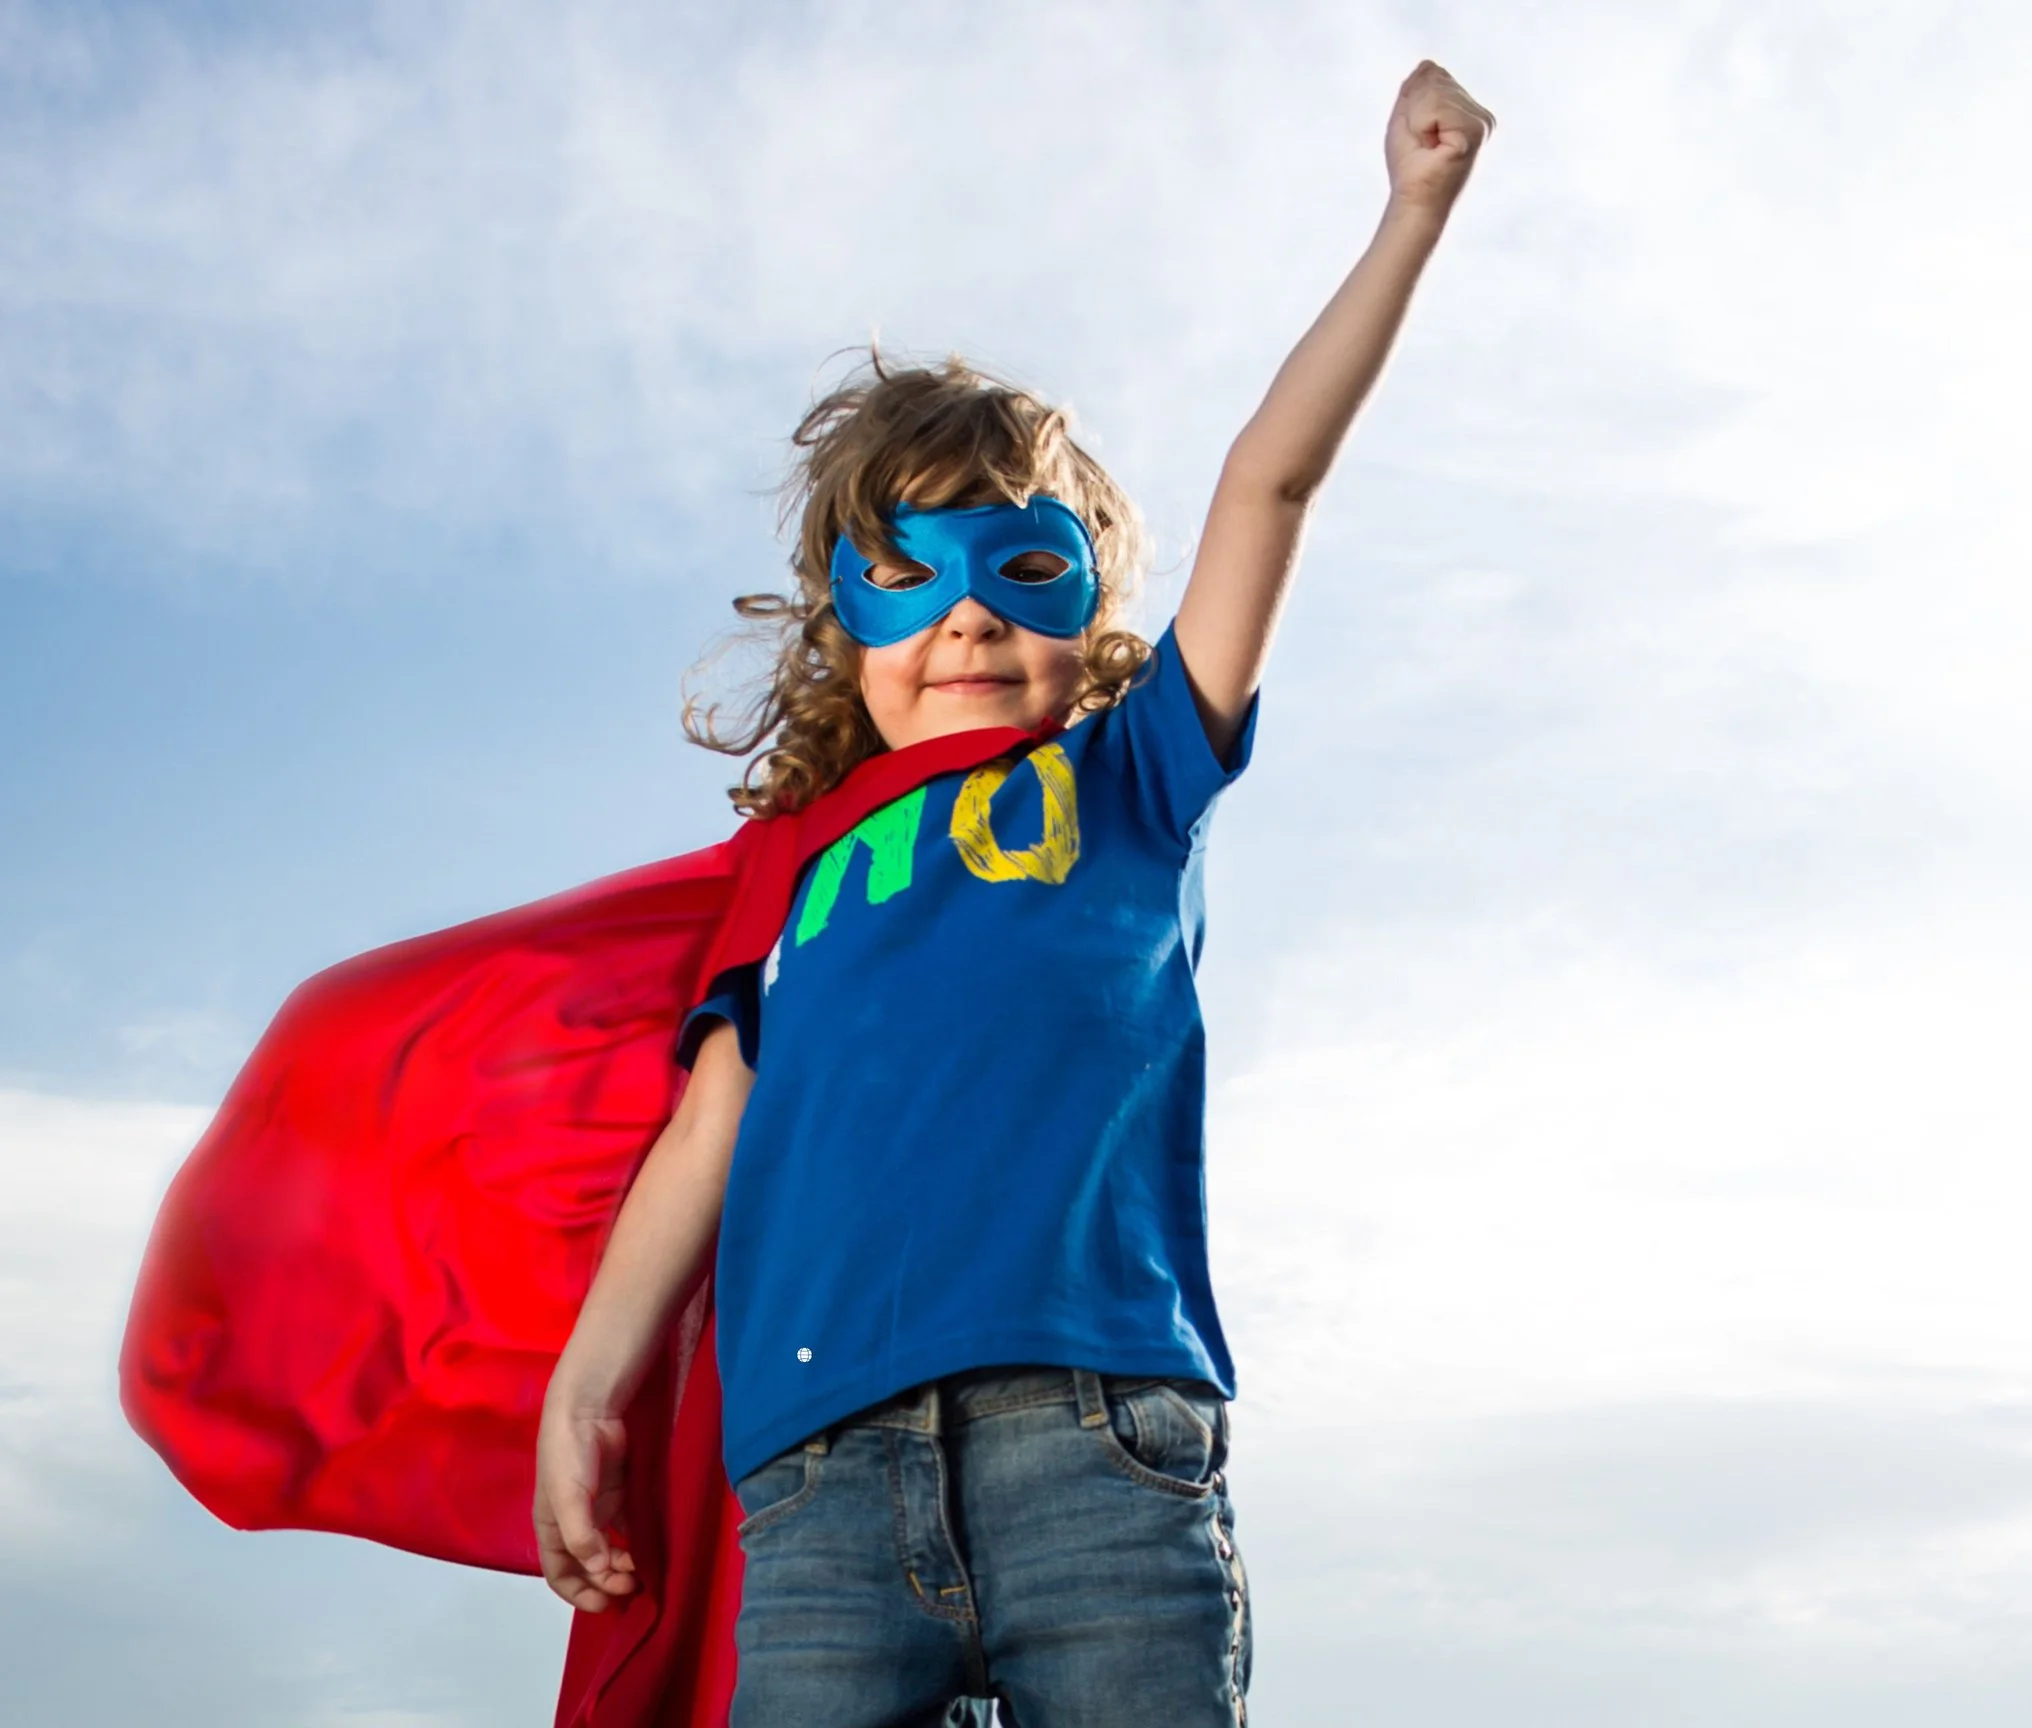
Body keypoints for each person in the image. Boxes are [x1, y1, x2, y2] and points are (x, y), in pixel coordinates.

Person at [518, 56, 1491, 1728]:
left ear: (1088, 604)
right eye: (906, 578)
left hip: (1100, 1456)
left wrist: (1410, 213)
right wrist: (586, 1387)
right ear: (849, 627)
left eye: (1016, 570)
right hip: (822, 1489)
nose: (967, 623)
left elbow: (1268, 483)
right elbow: (708, 1134)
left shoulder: (1131, 777)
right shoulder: (791, 872)